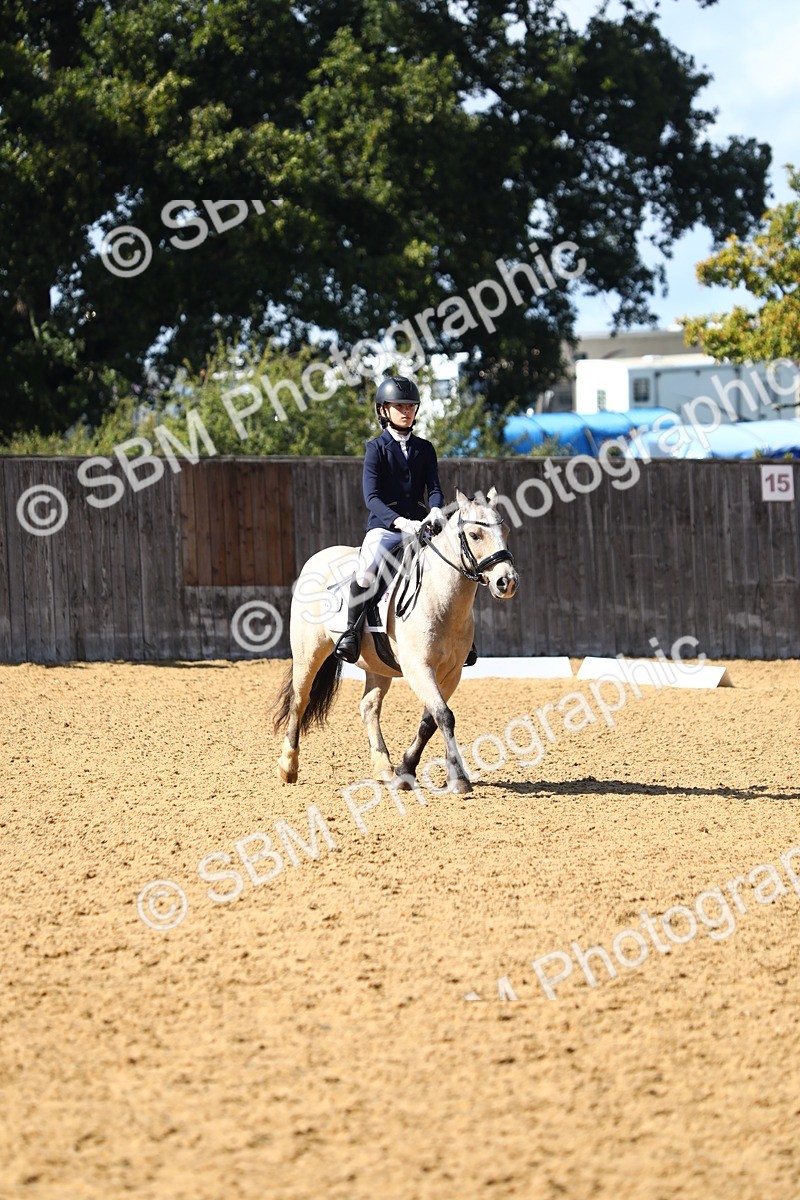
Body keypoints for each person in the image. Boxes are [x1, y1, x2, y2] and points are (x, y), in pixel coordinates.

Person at [333, 375, 446, 664]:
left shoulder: (425, 448)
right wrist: (399, 522)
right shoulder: (376, 448)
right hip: (385, 528)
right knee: (366, 572)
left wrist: (435, 509)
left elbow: (433, 487)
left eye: (411, 406)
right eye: (399, 406)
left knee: (450, 566)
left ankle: (461, 639)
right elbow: (371, 498)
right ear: (383, 410)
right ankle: (351, 633)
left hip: (421, 525)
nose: (406, 412)